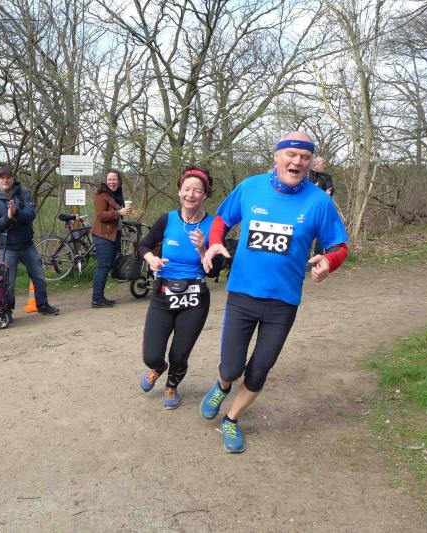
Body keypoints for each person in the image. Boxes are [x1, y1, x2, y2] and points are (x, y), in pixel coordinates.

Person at [199, 132, 349, 453]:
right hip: (243, 294)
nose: (297, 161)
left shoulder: (319, 201)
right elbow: (222, 219)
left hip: (283, 302)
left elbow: (339, 245)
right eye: (291, 154)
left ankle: (231, 419)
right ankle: (222, 385)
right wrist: (214, 242)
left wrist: (329, 261)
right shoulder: (251, 187)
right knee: (232, 367)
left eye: (304, 157)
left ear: (310, 163)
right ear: (277, 156)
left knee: (259, 369)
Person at [137, 166, 215, 410]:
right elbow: (144, 245)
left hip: (195, 299)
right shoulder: (167, 219)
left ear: (205, 195)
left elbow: (215, 271)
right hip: (163, 294)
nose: (191, 194)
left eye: (197, 190)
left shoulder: (213, 225)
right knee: (151, 355)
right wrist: (151, 259)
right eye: (186, 189)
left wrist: (203, 250)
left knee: (179, 354)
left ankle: (172, 385)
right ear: (180, 192)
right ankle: (158, 368)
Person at [0, 166, 59, 321]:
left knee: (39, 278)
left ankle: (43, 305)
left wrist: (16, 212)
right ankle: (6, 311)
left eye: (8, 177)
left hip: (27, 245)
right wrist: (8, 217)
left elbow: (30, 215)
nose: (5, 180)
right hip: (6, 248)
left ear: (13, 178)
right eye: (2, 177)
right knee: (8, 284)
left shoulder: (23, 193)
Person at [91, 168, 132, 307]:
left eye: (114, 179)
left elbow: (117, 214)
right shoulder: (101, 194)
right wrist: (119, 212)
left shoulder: (117, 195)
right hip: (103, 235)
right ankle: (97, 299)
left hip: (114, 235)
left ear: (119, 181)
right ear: (106, 181)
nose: (112, 182)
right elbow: (101, 215)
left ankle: (100, 297)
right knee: (103, 266)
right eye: (109, 179)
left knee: (107, 265)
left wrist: (123, 215)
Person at [307, 157, 335, 255]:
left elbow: (330, 190)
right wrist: (319, 192)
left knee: (321, 237)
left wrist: (328, 192)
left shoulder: (327, 176)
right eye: (323, 164)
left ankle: (317, 260)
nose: (325, 165)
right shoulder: (306, 175)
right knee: (307, 235)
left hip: (322, 210)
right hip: (308, 210)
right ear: (315, 165)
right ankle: (305, 260)